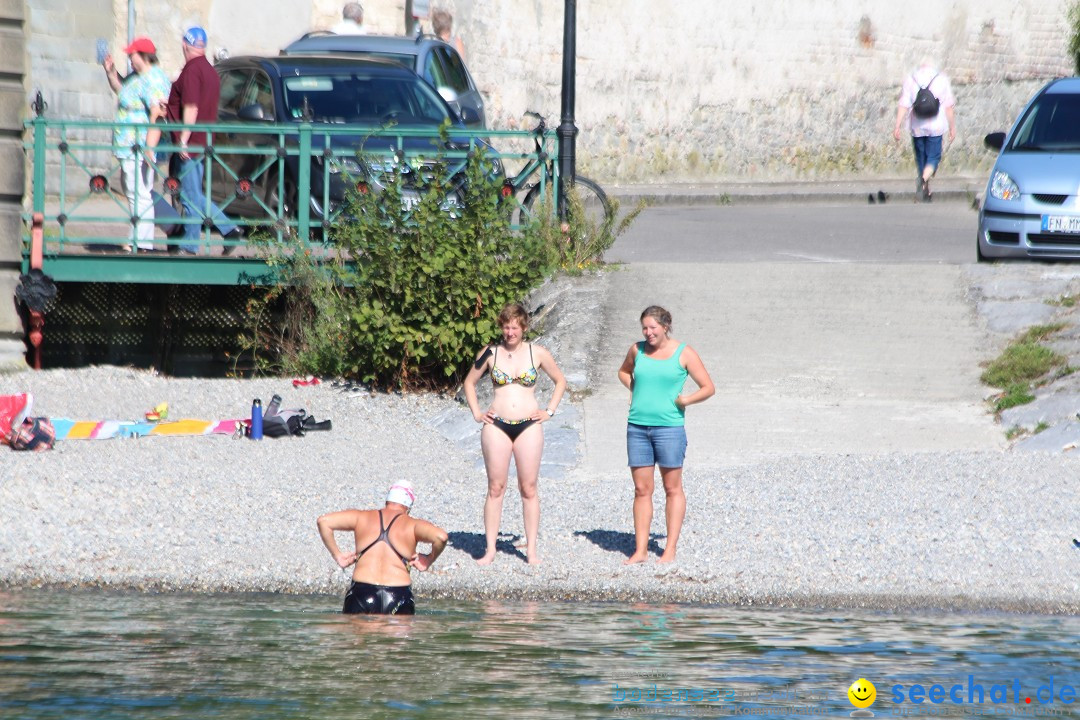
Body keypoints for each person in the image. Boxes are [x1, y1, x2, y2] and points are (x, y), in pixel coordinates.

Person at [462, 303, 567, 565]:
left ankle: (531, 551)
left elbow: (560, 381)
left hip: (529, 425)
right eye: (506, 326)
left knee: (528, 488)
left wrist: (549, 411)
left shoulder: (538, 352)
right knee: (496, 487)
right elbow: (469, 382)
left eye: (515, 327)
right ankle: (490, 550)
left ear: (523, 327)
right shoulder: (489, 353)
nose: (510, 332)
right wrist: (477, 413)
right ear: (502, 327)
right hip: (496, 424)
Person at [618, 306, 714, 565]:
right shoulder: (636, 350)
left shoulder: (684, 353)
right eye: (645, 328)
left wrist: (685, 400)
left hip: (669, 429)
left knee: (672, 488)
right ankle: (640, 551)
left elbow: (708, 388)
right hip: (637, 427)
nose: (648, 333)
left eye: (653, 328)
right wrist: (634, 387)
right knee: (641, 489)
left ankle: (669, 549)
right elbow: (624, 372)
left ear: (666, 326)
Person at [317, 480, 448, 615]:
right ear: (408, 506)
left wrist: (338, 555)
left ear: (388, 501)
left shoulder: (361, 517)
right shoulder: (412, 525)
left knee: (353, 634)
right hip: (398, 595)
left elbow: (323, 522)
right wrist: (429, 559)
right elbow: (441, 537)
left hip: (362, 593)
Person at [165, 26, 238, 254]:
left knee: (189, 195)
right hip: (203, 139)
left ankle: (203, 239)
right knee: (191, 193)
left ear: (185, 45)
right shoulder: (209, 70)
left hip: (191, 141)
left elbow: (192, 107)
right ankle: (202, 239)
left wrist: (184, 139)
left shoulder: (192, 71)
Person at [102, 37, 171, 252]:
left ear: (143, 56)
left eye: (132, 54)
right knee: (133, 191)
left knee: (140, 192)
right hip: (128, 145)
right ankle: (138, 239)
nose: (129, 58)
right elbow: (122, 91)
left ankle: (141, 242)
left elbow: (158, 113)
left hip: (139, 146)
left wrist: (150, 147)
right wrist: (111, 72)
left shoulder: (154, 79)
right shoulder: (137, 77)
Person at [893, 59, 956, 203]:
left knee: (921, 159)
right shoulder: (941, 79)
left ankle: (924, 189)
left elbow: (904, 104)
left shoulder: (911, 79)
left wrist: (897, 126)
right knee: (933, 158)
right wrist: (952, 127)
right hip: (936, 126)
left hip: (917, 126)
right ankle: (923, 181)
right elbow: (948, 106)